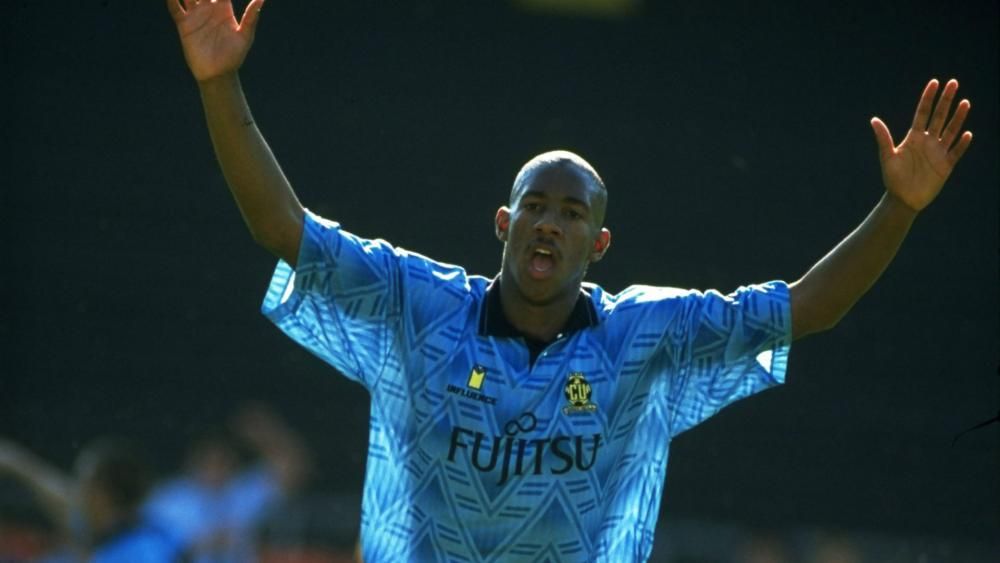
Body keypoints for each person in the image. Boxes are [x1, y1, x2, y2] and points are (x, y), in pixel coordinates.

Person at [165, 1, 973, 561]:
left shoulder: (646, 335)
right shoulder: (418, 303)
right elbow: (283, 230)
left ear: (600, 242)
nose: (551, 222)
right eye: (535, 207)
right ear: (503, 225)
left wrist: (898, 208)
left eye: (572, 213)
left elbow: (809, 310)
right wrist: (217, 82)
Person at [143, 402, 311, 563]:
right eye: (208, 461)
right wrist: (207, 543)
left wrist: (267, 434)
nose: (215, 469)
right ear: (192, 461)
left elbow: (292, 468)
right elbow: (148, 546)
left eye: (223, 462)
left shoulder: (239, 494)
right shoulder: (169, 498)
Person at [0, 437, 179, 562]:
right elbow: (61, 504)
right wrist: (17, 464)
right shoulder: (109, 533)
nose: (74, 492)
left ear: (99, 495)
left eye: (81, 482)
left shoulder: (144, 551)